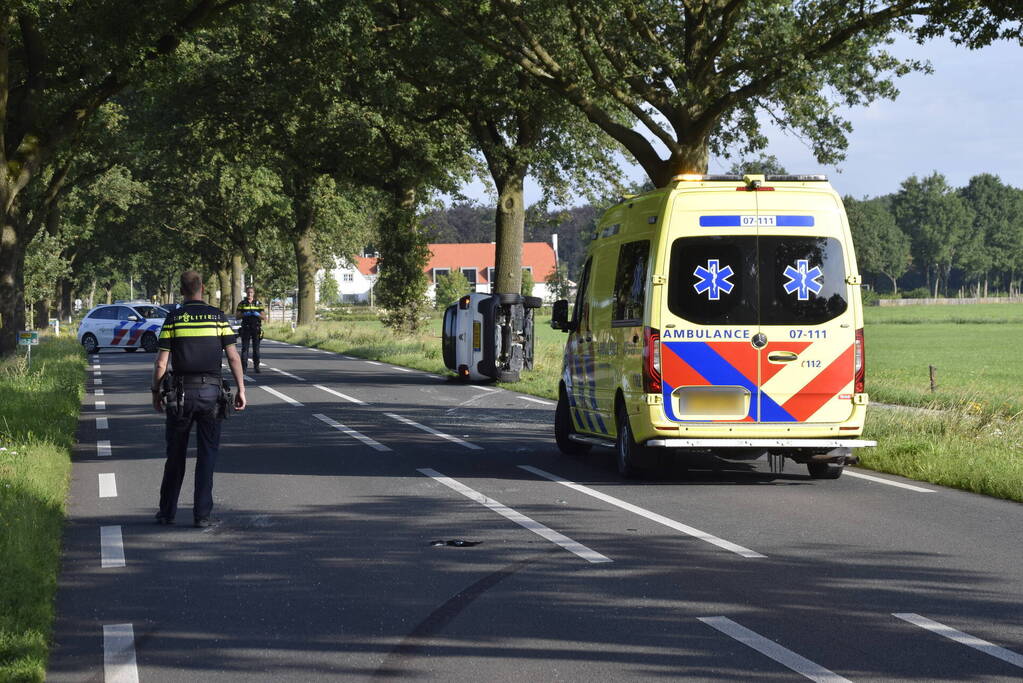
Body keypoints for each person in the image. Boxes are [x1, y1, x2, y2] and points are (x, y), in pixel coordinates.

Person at [151, 270, 246, 528]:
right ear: (202, 288)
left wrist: (155, 392)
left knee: (175, 455)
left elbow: (162, 363)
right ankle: (202, 515)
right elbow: (234, 357)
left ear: (182, 290)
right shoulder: (217, 318)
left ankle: (166, 513)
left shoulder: (173, 318)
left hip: (180, 397)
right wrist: (241, 389)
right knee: (207, 455)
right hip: (212, 396)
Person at [236, 285, 265, 372]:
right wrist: (244, 314)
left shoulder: (258, 304)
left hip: (256, 328)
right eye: (248, 292)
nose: (249, 294)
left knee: (256, 349)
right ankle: (244, 368)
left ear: (253, 293)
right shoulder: (242, 304)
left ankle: (256, 366)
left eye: (251, 292)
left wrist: (257, 314)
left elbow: (264, 317)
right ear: (246, 293)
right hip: (246, 328)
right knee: (245, 348)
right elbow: (237, 316)